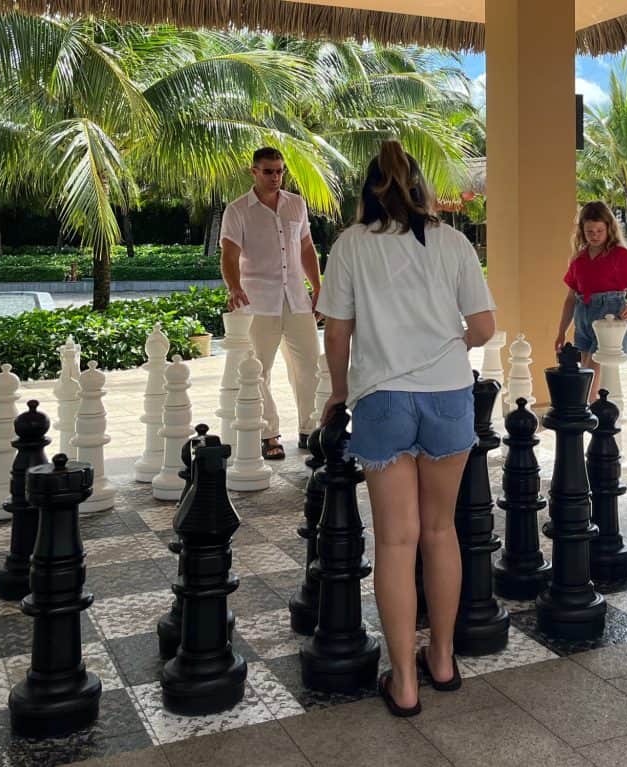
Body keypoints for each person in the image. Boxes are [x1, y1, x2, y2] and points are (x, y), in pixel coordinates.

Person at [316, 140, 496, 717]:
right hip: (448, 396)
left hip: (382, 399)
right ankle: (441, 661)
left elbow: (336, 333)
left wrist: (339, 393)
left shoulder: (349, 246)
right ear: (421, 189)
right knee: (441, 533)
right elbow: (485, 326)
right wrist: (444, 346)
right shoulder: (453, 242)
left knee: (396, 541)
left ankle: (404, 682)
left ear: (368, 191)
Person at [220, 147, 321, 460]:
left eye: (279, 171)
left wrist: (318, 286)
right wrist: (234, 286)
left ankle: (310, 430)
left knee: (309, 367)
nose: (275, 177)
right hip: (258, 301)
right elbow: (229, 253)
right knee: (257, 371)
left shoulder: (296, 204)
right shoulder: (238, 210)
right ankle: (268, 434)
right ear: (254, 171)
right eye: (268, 171)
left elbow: (306, 247)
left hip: (296, 299)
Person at [554, 201, 627, 397]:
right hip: (583, 321)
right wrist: (561, 332)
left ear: (609, 229)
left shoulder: (621, 256)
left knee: (590, 382)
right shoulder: (579, 259)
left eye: (599, 231)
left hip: (609, 319)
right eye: (589, 231)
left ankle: (596, 421)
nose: (594, 236)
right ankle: (594, 419)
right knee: (585, 374)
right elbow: (570, 299)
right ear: (582, 231)